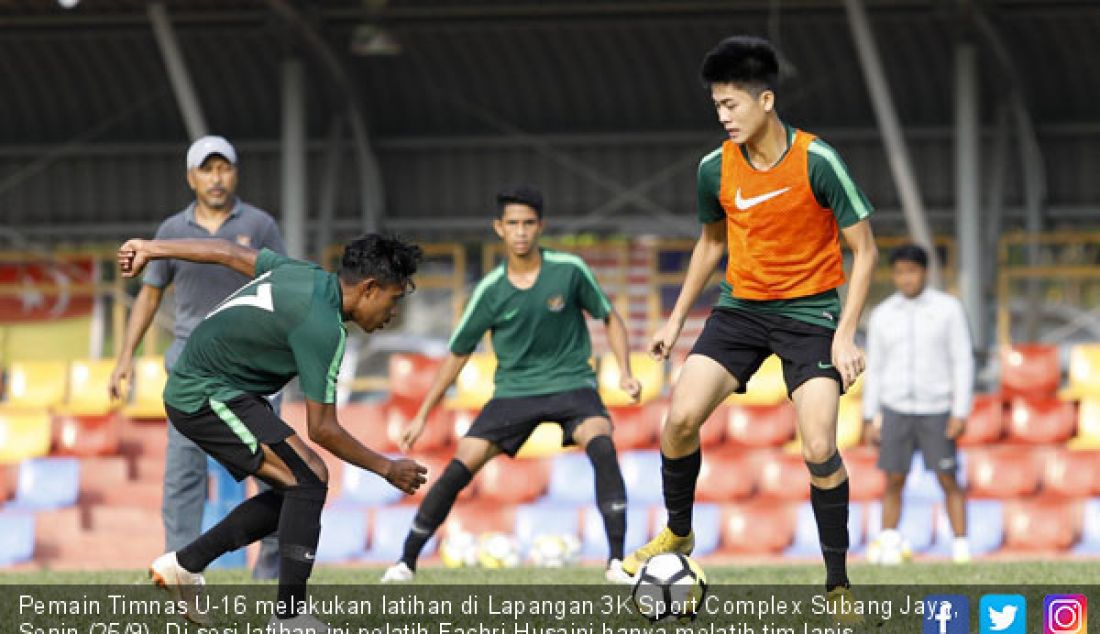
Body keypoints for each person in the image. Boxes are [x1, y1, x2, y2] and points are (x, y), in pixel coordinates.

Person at [622, 35, 878, 602]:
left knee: (817, 448)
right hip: (740, 311)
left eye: (731, 104)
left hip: (810, 315)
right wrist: (675, 318)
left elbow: (867, 250)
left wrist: (845, 333)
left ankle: (838, 588)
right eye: (716, 106)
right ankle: (679, 532)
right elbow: (711, 243)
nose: (723, 116)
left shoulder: (818, 160)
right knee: (679, 419)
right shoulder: (714, 169)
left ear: (765, 100)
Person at [118, 234, 427, 632]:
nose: (393, 312)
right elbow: (324, 430)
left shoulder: (304, 274)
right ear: (369, 289)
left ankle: (185, 566)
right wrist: (386, 467)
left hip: (221, 388)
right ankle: (288, 617)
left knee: (300, 486)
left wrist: (151, 247)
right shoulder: (324, 328)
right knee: (310, 477)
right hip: (206, 393)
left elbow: (227, 252)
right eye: (394, 299)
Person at [380, 185, 641, 584]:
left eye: (529, 223)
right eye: (513, 224)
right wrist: (422, 414)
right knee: (456, 470)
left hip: (572, 383)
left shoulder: (569, 270)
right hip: (514, 393)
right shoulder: (490, 291)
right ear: (499, 228)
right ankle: (405, 562)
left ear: (541, 227)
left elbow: (609, 316)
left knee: (603, 446)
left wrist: (624, 371)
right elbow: (457, 354)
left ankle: (616, 563)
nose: (521, 231)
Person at [108, 135, 286, 579]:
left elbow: (283, 289)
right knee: (183, 471)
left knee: (277, 467)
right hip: (191, 366)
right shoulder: (170, 232)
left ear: (235, 173)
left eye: (223, 168)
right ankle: (180, 568)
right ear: (191, 177)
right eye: (206, 169)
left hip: (251, 364)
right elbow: (150, 296)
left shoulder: (260, 225)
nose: (216, 178)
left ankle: (271, 568)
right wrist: (124, 357)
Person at [862, 244, 974, 564]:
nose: (906, 278)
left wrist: (960, 410)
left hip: (937, 410)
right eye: (899, 272)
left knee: (947, 479)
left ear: (924, 272)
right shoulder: (882, 315)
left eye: (912, 271)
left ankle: (961, 550)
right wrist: (870, 415)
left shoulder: (948, 309)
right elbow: (876, 368)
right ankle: (887, 547)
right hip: (896, 409)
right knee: (893, 479)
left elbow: (962, 361)